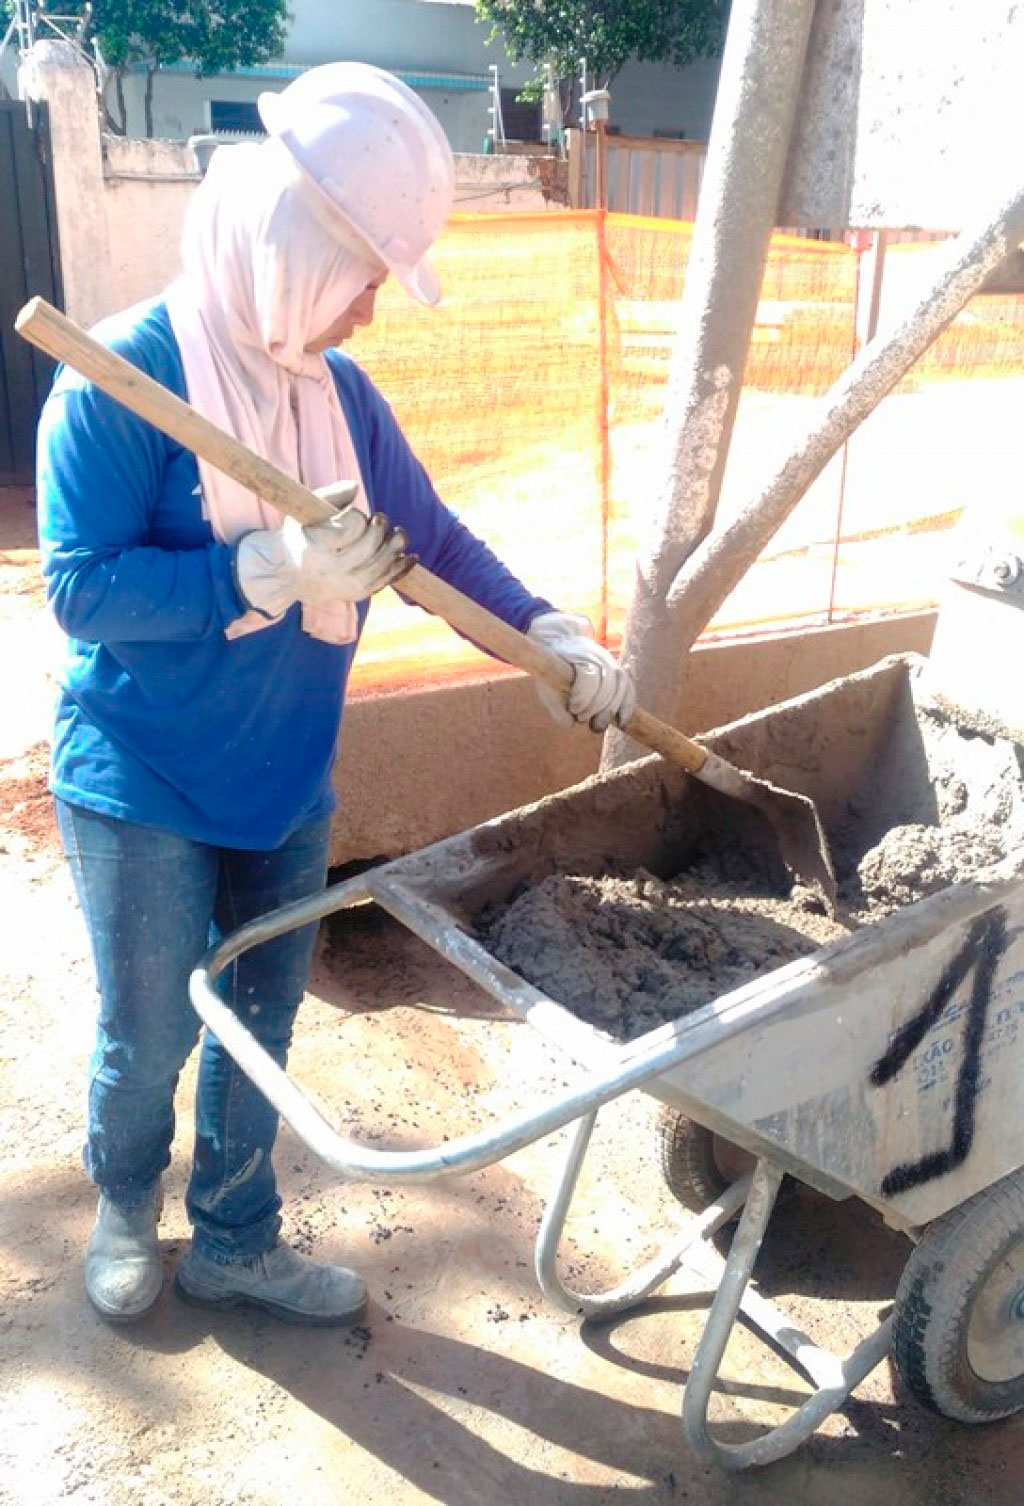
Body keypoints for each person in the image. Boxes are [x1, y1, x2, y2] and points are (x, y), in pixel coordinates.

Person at [36, 61, 636, 1327]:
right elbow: (83, 592)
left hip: (288, 776)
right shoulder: (118, 383)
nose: (368, 313)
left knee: (262, 1025)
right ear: (299, 249)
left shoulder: (340, 402)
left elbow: (436, 544)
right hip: (141, 779)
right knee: (151, 1034)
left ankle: (236, 1240)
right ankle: (125, 1203)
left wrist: (548, 631)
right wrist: (261, 568)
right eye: (363, 276)